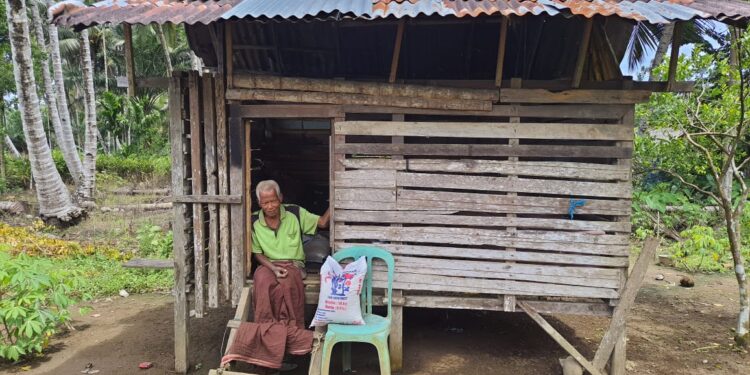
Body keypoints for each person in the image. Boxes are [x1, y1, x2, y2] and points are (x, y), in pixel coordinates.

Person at [221, 179, 329, 372]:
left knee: (287, 286)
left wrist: (338, 199)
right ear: (259, 203)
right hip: (267, 264)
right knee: (262, 282)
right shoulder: (254, 221)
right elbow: (257, 253)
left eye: (273, 201)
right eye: (265, 203)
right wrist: (272, 268)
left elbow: (322, 222)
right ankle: (267, 338)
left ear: (280, 198)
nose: (269, 206)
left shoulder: (295, 213)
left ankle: (285, 343)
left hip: (294, 264)